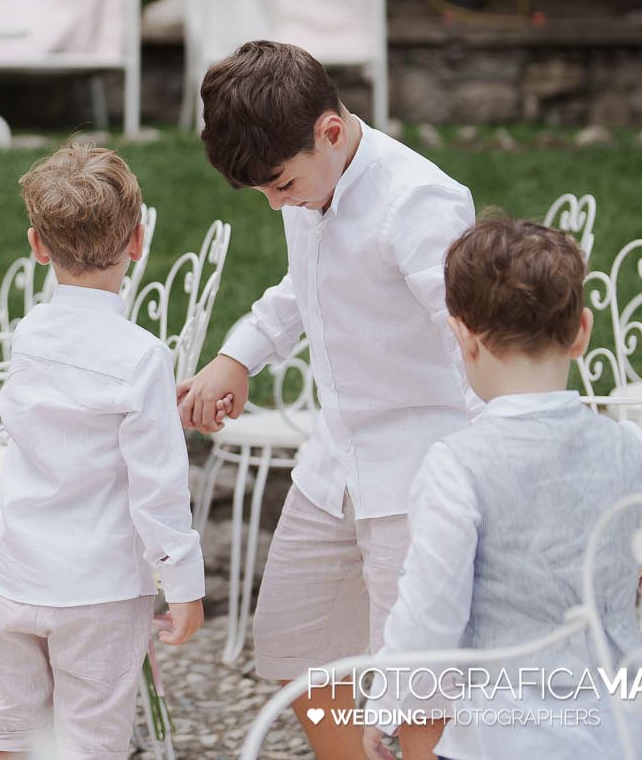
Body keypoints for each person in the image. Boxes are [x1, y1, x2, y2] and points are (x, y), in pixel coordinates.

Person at [178, 40, 476, 759]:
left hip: (420, 473)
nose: (275, 202)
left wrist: (504, 469)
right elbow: (303, 285)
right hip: (334, 461)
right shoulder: (311, 180)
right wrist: (236, 356)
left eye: (280, 184)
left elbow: (475, 340)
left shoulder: (420, 201)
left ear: (331, 131)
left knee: (420, 683)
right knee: (297, 645)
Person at [365, 215, 642, 760]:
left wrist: (388, 708)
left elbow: (430, 611)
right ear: (581, 332)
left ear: (462, 338)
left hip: (505, 735)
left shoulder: (456, 465)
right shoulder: (628, 445)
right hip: (621, 732)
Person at [0, 140, 205, 759]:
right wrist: (183, 583)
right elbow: (159, 485)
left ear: (38, 246)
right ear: (137, 241)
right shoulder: (141, 356)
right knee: (90, 743)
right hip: (100, 590)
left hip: (19, 577)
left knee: (3, 732)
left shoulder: (29, 336)